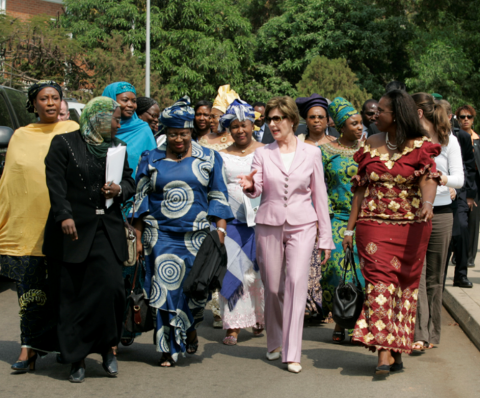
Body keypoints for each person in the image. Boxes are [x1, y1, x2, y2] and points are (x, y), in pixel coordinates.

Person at [343, 89, 441, 375]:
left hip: (411, 227)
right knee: (380, 284)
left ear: (395, 115)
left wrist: (427, 203)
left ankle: (397, 349)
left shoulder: (421, 145)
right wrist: (349, 231)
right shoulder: (370, 143)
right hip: (372, 226)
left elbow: (429, 178)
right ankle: (384, 352)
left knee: (403, 290)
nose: (373, 116)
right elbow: (359, 190)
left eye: (380, 112)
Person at [131, 96, 233, 367]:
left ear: (191, 133)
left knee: (194, 292)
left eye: (184, 134)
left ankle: (189, 329)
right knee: (164, 291)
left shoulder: (209, 158)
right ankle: (167, 349)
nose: (179, 139)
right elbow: (140, 199)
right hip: (160, 235)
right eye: (173, 134)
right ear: (165, 132)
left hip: (197, 237)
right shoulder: (151, 159)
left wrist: (220, 236)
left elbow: (218, 195)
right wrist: (138, 238)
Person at [239, 96, 335, 373]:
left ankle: (292, 353)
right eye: (269, 119)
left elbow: (320, 197)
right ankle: (275, 341)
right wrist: (248, 186)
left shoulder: (312, 153)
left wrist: (325, 239)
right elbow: (256, 186)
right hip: (269, 224)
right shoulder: (263, 153)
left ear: (292, 120)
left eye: (278, 118)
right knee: (272, 287)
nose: (273, 123)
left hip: (303, 225)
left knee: (295, 283)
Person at [43, 96, 135, 383]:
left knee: (111, 290)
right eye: (116, 119)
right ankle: (76, 358)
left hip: (106, 230)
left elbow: (130, 180)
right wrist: (64, 215)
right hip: (72, 231)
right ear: (98, 117)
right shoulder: (65, 143)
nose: (120, 124)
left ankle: (107, 348)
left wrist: (119, 189)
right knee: (73, 295)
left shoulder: (118, 147)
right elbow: (55, 182)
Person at [0, 80, 79, 373]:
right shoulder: (20, 135)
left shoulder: (72, 131)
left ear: (61, 103)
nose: (50, 103)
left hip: (65, 227)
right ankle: (28, 347)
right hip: (27, 229)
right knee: (30, 290)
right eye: (43, 98)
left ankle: (66, 345)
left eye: (55, 98)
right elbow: (9, 183)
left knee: (65, 290)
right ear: (33, 104)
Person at [412, 93, 464, 351]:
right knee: (417, 274)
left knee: (435, 276)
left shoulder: (449, 140)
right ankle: (418, 333)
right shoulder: (410, 140)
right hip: (414, 214)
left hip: (442, 213)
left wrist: (440, 179)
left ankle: (433, 333)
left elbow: (459, 179)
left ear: (419, 112)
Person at [217, 99, 265, 345]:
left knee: (259, 274)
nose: (240, 130)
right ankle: (233, 326)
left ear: (253, 125)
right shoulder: (220, 156)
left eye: (244, 125)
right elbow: (217, 189)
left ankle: (259, 319)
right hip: (232, 223)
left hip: (263, 222)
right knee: (233, 270)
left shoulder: (267, 151)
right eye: (234, 126)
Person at [320, 97, 365, 340]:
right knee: (337, 273)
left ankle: (358, 325)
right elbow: (317, 186)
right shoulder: (325, 152)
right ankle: (340, 319)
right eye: (354, 123)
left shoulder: (369, 150)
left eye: (360, 123)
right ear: (340, 127)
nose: (360, 127)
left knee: (363, 274)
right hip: (336, 219)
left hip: (366, 219)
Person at [440, 100, 476, 289]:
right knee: (443, 237)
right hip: (438, 196)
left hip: (459, 193)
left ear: (449, 117)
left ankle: (460, 274)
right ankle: (440, 277)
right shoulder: (428, 137)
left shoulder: (460, 136)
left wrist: (468, 194)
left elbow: (469, 166)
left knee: (461, 231)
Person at [102, 82, 157, 177]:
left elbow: (154, 164)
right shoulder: (99, 131)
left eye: (134, 101)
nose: (131, 105)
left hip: (135, 189)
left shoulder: (143, 130)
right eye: (125, 100)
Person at [456, 104, 480, 271]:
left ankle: (470, 256)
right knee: (459, 222)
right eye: (462, 117)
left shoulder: (478, 140)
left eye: (469, 117)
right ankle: (458, 254)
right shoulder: (454, 138)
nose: (465, 119)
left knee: (473, 222)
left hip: (475, 186)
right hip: (459, 186)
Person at [198, 85, 237, 150]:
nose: (210, 120)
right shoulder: (205, 140)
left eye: (214, 117)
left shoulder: (239, 138)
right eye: (210, 117)